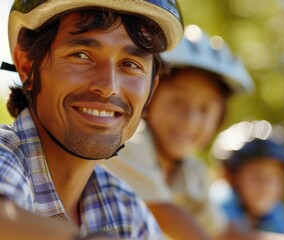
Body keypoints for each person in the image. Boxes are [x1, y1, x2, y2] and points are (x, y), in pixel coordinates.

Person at [0, 0, 183, 239]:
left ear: (151, 89)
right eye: (81, 55)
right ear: (26, 66)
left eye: (130, 64)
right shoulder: (5, 156)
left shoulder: (126, 211)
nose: (108, 87)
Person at [106, 25, 284, 240]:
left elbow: (223, 231)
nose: (190, 120)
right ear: (149, 98)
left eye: (205, 109)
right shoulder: (129, 144)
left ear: (219, 120)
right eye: (177, 102)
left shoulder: (191, 173)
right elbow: (165, 214)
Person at [210, 120, 284, 236]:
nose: (266, 185)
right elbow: (222, 233)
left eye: (275, 177)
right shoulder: (217, 201)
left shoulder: (276, 211)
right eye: (256, 176)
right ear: (230, 177)